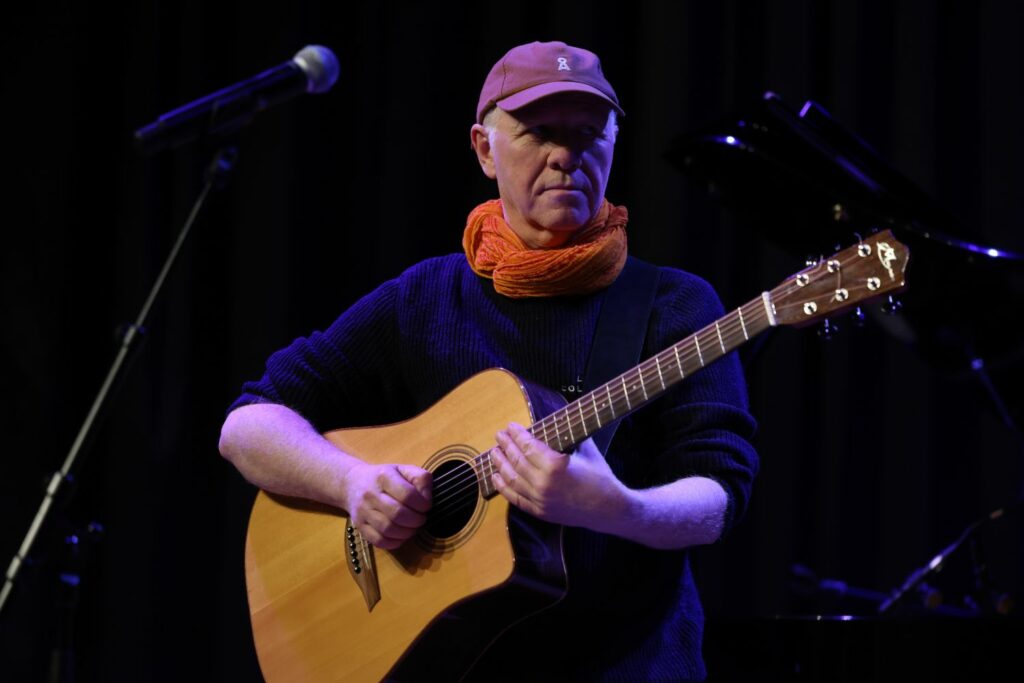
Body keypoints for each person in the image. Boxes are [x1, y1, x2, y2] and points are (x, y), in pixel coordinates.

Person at [219, 40, 758, 682]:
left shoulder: (675, 305)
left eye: (590, 134)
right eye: (540, 132)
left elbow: (720, 494)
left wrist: (615, 507)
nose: (566, 155)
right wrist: (352, 483)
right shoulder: (425, 298)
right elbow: (247, 425)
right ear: (484, 149)